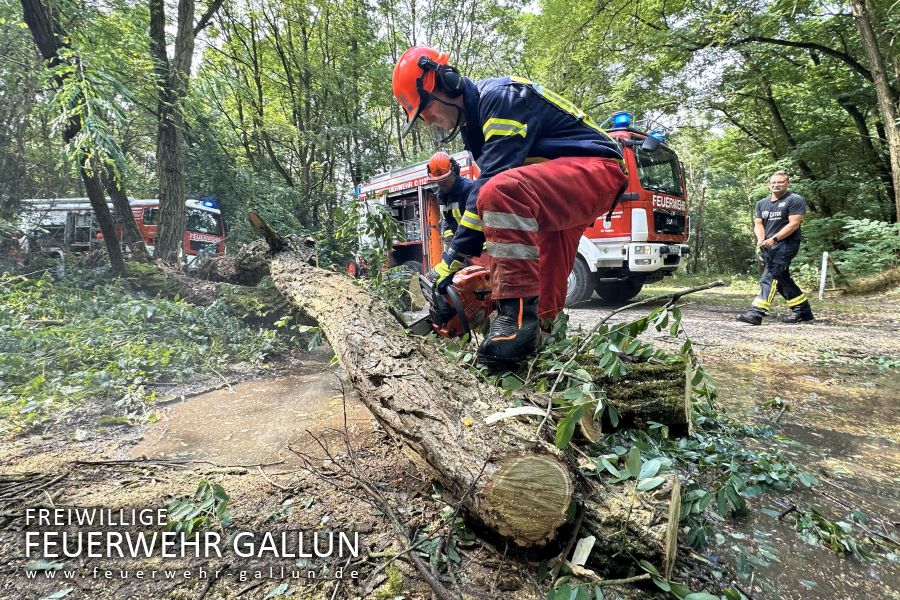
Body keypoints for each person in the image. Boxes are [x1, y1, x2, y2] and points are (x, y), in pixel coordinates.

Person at [393, 45, 628, 367]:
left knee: (499, 192)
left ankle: (513, 324)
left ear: (446, 82)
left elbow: (493, 187)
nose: (428, 118)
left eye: (427, 108)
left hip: (595, 169)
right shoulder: (474, 128)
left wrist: (450, 260)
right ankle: (540, 353)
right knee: (542, 295)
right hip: (555, 187)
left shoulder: (500, 98)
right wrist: (465, 262)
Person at [737, 171, 815, 325]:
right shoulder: (761, 203)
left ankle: (756, 313)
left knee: (770, 275)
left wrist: (775, 238)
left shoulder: (794, 200)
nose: (776, 185)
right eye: (773, 183)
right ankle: (803, 311)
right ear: (769, 184)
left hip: (786, 244)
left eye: (780, 182)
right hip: (767, 246)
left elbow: (794, 224)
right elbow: (758, 224)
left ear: (787, 183)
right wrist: (761, 239)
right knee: (781, 279)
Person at [425, 151, 474, 247]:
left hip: (476, 245)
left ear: (454, 172)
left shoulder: (468, 189)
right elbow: (447, 225)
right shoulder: (441, 196)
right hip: (460, 246)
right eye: (438, 181)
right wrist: (449, 249)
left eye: (445, 179)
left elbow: (475, 223)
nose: (442, 184)